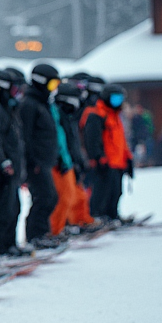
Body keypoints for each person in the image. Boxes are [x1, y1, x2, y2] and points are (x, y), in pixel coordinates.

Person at [20, 64, 61, 245]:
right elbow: (26, 136)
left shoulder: (43, 104)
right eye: (51, 85)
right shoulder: (29, 105)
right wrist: (32, 160)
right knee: (45, 197)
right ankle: (35, 235)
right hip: (36, 162)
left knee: (49, 197)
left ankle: (41, 233)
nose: (53, 90)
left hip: (45, 160)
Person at [0, 68, 25, 254]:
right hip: (0, 169)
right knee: (2, 210)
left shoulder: (9, 109)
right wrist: (2, 161)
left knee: (13, 208)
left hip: (11, 166)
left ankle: (8, 243)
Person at [83, 83, 133, 221]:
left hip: (118, 162)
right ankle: (98, 215)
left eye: (120, 99)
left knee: (116, 192)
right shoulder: (97, 115)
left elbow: (121, 140)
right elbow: (92, 139)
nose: (118, 102)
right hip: (106, 162)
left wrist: (128, 158)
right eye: (115, 99)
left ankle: (112, 215)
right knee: (102, 191)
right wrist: (98, 157)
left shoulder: (116, 116)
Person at [54, 83, 95, 230]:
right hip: (62, 162)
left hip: (70, 160)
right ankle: (64, 226)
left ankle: (79, 221)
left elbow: (73, 142)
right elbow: (63, 142)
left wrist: (79, 160)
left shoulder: (70, 117)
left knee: (78, 196)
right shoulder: (59, 115)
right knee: (65, 198)